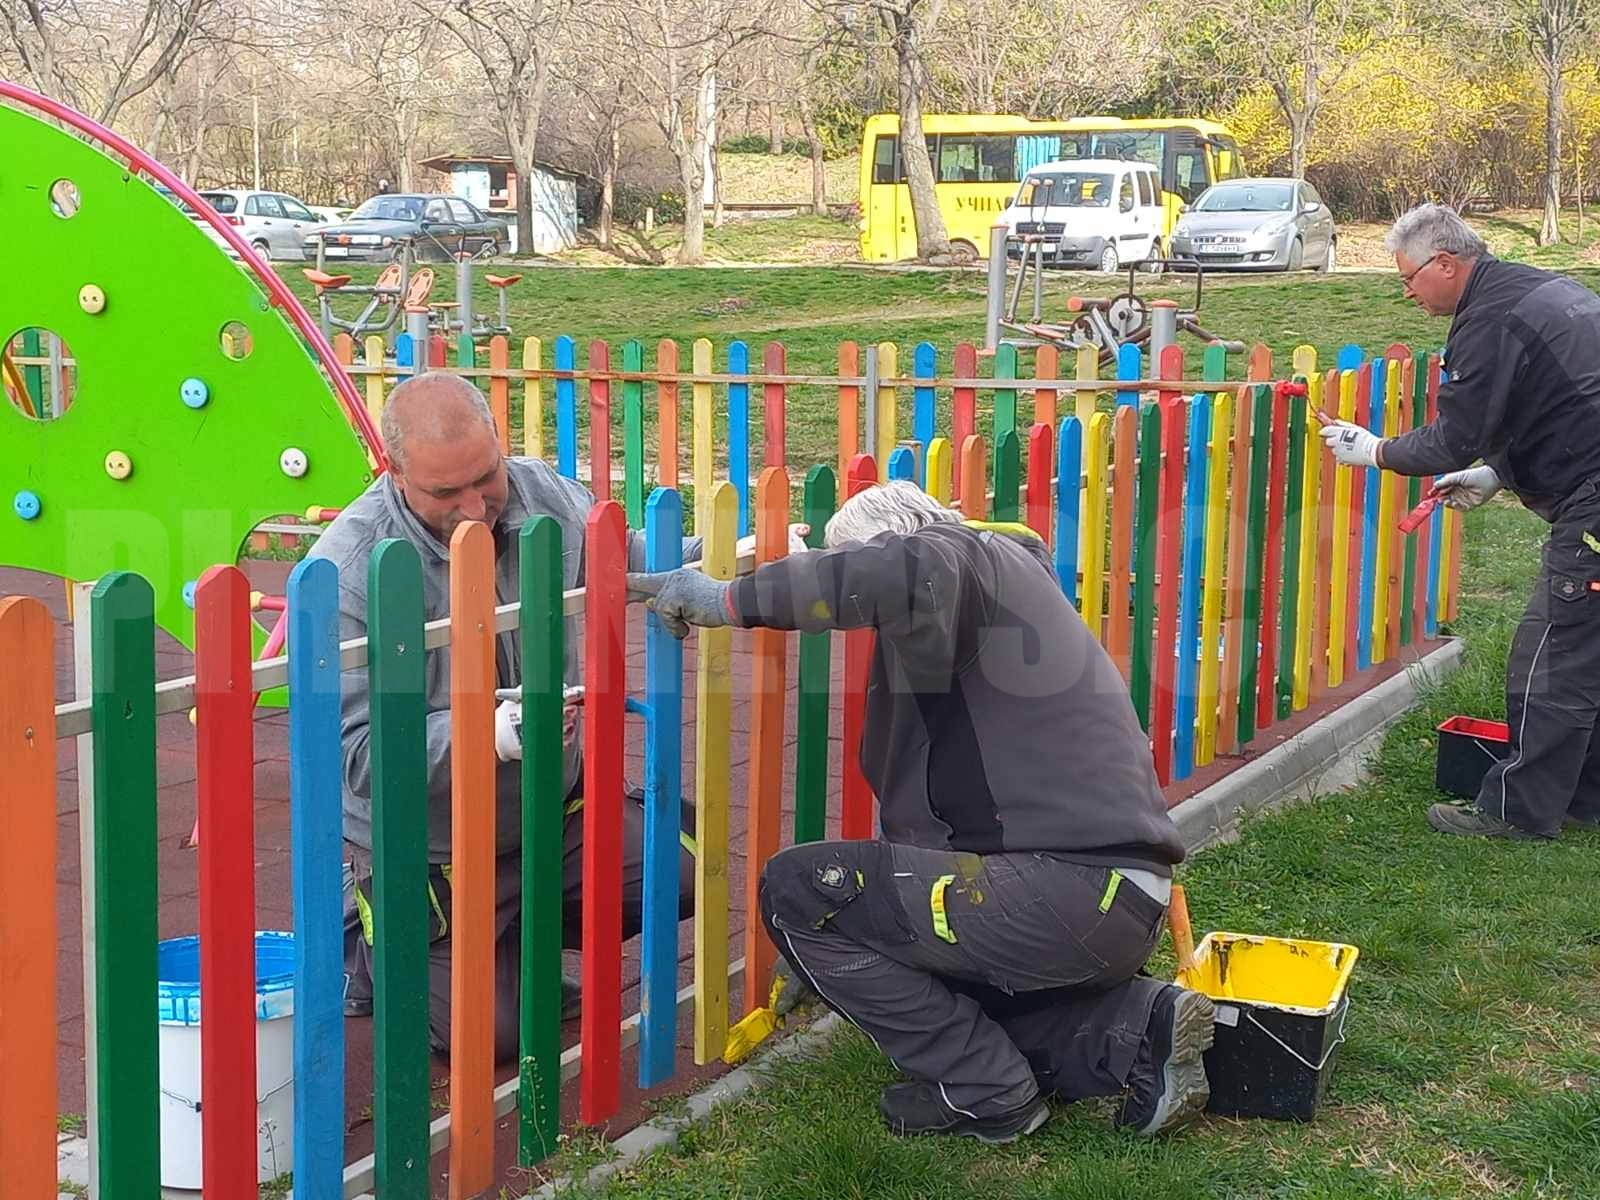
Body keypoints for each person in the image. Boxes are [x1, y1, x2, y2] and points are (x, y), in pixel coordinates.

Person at [626, 483, 1213, 1143]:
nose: (868, 616)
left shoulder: (949, 557)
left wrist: (727, 599)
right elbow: (930, 826)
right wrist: (846, 938)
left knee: (794, 887)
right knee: (943, 989)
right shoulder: (1001, 601)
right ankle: (1138, 1029)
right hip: (1118, 903)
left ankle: (986, 1093)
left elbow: (889, 572)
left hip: (1060, 894)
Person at [312, 372, 701, 1060]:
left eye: (484, 477)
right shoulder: (348, 571)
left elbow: (628, 563)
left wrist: (737, 553)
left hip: (555, 813)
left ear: (499, 440)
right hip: (432, 850)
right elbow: (360, 755)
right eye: (444, 493)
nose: (475, 508)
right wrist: (484, 734)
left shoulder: (540, 491)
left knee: (686, 872)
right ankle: (370, 942)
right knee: (492, 1037)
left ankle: (514, 936)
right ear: (392, 472)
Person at [1319, 202, 1600, 840]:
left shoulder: (1492, 319)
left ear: (1445, 264)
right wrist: (1499, 474)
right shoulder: (1540, 289)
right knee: (1586, 651)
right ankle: (1585, 797)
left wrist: (1376, 452)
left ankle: (1517, 816)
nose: (1407, 292)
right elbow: (1560, 400)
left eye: (1409, 279)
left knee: (1550, 656)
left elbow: (1454, 438)